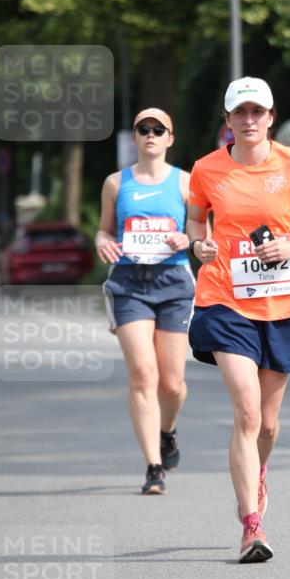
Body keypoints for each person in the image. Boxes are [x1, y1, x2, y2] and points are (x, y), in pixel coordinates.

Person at [186, 77, 290, 563]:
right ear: (228, 121)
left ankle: (257, 472)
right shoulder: (207, 169)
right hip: (225, 300)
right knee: (247, 412)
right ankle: (251, 525)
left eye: (258, 112)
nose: (249, 120)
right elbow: (195, 221)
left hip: (284, 303)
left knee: (268, 424)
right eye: (241, 113)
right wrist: (198, 244)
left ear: (270, 117)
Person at [95, 108, 195, 496]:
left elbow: (200, 232)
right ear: (135, 137)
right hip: (129, 283)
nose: (150, 134)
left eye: (159, 129)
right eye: (143, 129)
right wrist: (103, 242)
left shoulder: (186, 183)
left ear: (170, 138)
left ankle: (167, 432)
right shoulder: (116, 184)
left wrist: (186, 240)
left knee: (172, 385)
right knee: (143, 376)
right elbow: (103, 230)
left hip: (173, 282)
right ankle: (154, 466)